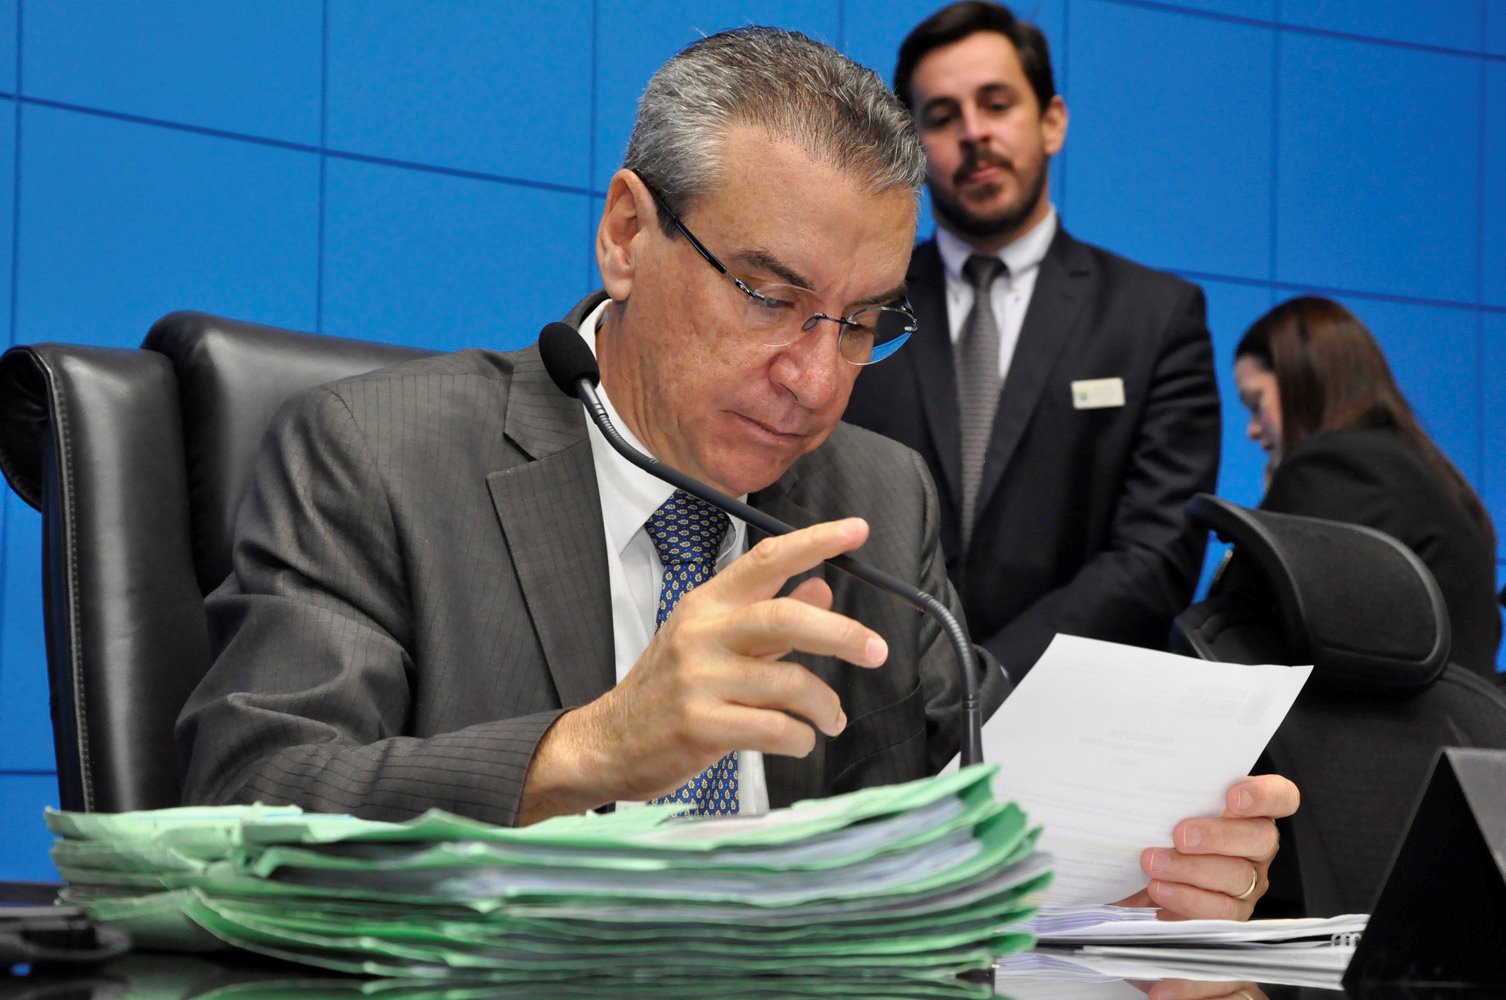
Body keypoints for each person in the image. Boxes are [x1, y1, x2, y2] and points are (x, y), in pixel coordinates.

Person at [177, 26, 1293, 919]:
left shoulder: (877, 499)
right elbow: (245, 803)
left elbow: (985, 814)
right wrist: (587, 750)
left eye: (862, 322)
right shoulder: (376, 455)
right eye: (769, 296)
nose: (815, 380)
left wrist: (1147, 872)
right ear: (627, 234)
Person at [843, 1, 1220, 684]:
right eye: (942, 116)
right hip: (876, 698)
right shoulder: (856, 311)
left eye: (997, 104)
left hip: (1074, 707)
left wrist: (984, 680)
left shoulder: (1154, 318)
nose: (974, 133)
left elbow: (1157, 554)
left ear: (1052, 121)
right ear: (913, 147)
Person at [1233, 295, 1502, 678]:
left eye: (1256, 402)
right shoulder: (1429, 473)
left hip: (1386, 716)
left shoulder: (1333, 466)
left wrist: (1271, 508)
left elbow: (1240, 626)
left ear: (1304, 380)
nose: (1253, 429)